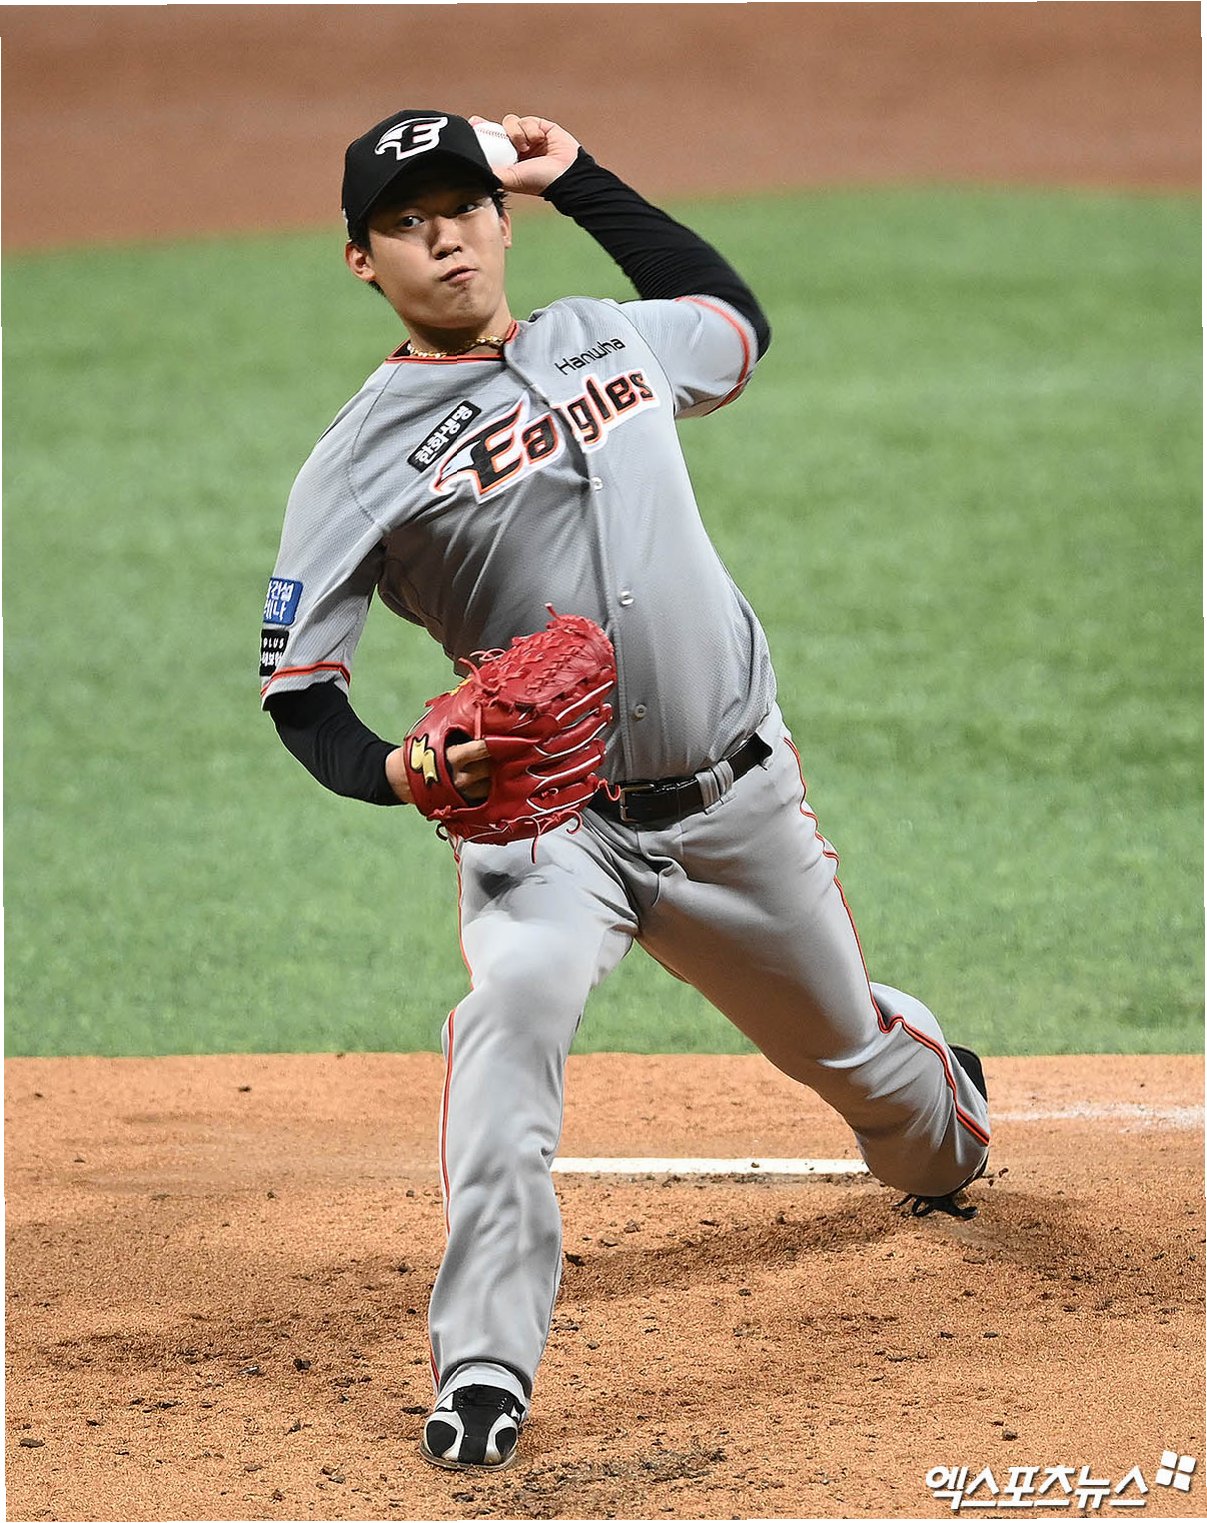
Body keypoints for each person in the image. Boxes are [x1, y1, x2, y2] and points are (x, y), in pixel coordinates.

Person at [259, 108, 991, 1473]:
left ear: (501, 222)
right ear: (363, 259)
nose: (444, 238)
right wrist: (394, 772)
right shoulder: (354, 460)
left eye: (464, 208)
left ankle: (941, 1100)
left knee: (884, 1102)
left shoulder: (611, 336)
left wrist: (583, 179)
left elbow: (735, 325)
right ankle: (484, 1366)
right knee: (511, 1016)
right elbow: (299, 689)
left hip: (736, 800)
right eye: (407, 222)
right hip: (548, 832)